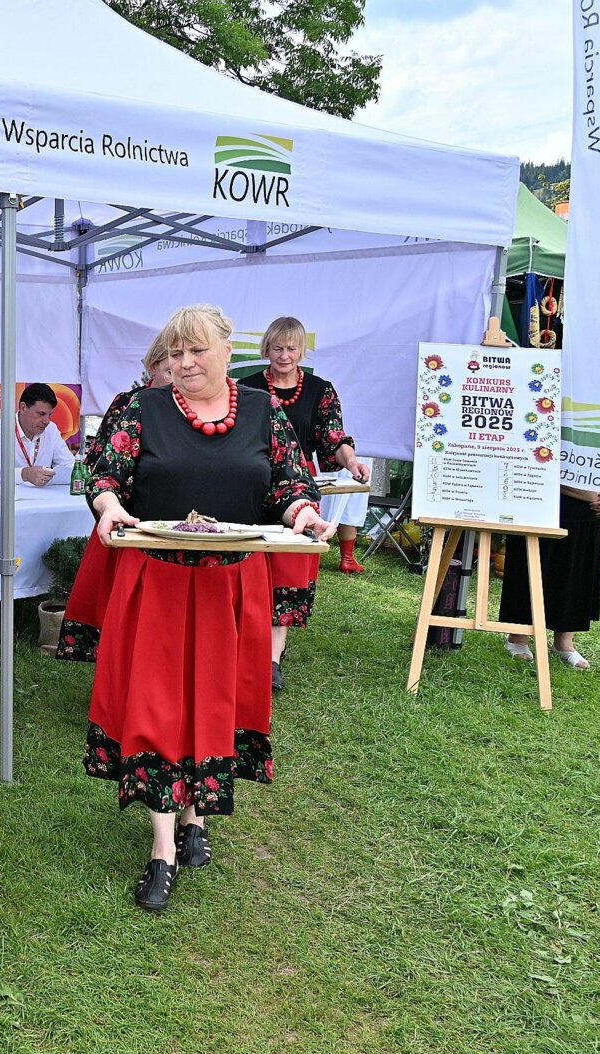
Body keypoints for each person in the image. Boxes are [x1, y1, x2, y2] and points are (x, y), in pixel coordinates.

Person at [84, 304, 329, 911]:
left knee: (211, 700)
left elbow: (290, 484)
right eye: (175, 353)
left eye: (196, 351)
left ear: (226, 351)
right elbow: (103, 475)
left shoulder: (264, 411)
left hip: (231, 585)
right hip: (157, 581)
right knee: (157, 704)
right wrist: (110, 507)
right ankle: (163, 847)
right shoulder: (142, 408)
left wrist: (303, 514)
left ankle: (196, 816)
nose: (184, 363)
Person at [237, 317, 368, 692]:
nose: (284, 355)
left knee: (288, 570)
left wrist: (351, 462)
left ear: (302, 351)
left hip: (297, 485)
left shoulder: (319, 390)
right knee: (249, 563)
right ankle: (243, 642)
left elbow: (333, 439)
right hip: (250, 483)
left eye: (291, 348)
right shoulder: (244, 388)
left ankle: (271, 661)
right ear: (266, 348)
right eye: (277, 348)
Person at [56, 334, 175, 663]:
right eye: (170, 370)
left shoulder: (193, 408)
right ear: (153, 367)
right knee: (121, 598)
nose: (177, 377)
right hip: (130, 515)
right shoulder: (129, 403)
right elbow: (99, 461)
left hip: (171, 520)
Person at [502, 487, 600, 668]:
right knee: (529, 565)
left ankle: (564, 643)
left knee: (576, 568)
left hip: (589, 510)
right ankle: (518, 637)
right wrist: (586, 494)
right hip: (539, 499)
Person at [0, 382, 75, 485]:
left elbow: (69, 464)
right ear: (23, 407)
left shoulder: (51, 429)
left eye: (49, 414)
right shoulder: (0, 429)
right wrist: (25, 474)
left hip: (41, 493)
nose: (46, 421)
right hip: (0, 494)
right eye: (41, 414)